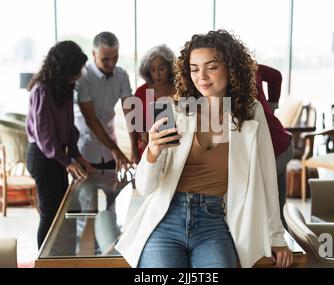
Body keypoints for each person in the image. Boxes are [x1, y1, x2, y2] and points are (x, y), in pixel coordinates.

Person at [115, 29, 293, 268]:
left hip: (216, 222)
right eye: (195, 68)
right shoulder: (174, 109)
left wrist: (276, 237)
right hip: (166, 219)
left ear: (231, 67)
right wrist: (153, 151)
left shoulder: (251, 113)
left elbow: (267, 177)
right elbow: (146, 187)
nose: (202, 77)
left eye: (211, 67)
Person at [26, 40, 94, 248]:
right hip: (43, 158)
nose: (81, 73)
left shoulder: (65, 87)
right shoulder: (42, 90)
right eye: (78, 69)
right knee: (50, 214)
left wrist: (77, 156)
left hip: (57, 157)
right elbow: (45, 136)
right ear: (65, 68)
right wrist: (68, 162)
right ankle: (44, 260)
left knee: (63, 212)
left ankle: (63, 257)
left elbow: (69, 128)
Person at [74, 31, 138, 172]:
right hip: (85, 149)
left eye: (115, 58)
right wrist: (117, 151)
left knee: (115, 192)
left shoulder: (121, 75)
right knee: (88, 194)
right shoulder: (83, 77)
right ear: (94, 54)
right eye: (106, 59)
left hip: (109, 148)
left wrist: (134, 148)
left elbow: (130, 114)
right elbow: (91, 120)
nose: (111, 63)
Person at [256, 64, 293, 229]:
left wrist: (271, 106)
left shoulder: (236, 82)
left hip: (277, 146)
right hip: (280, 143)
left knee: (269, 207)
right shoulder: (250, 68)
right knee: (277, 208)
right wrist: (272, 106)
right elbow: (275, 75)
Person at [133, 44, 176, 157]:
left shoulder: (181, 88)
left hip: (177, 152)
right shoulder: (141, 92)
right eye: (152, 70)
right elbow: (137, 127)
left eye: (162, 69)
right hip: (151, 153)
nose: (157, 74)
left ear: (171, 67)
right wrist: (143, 136)